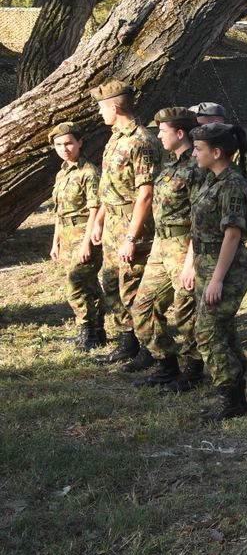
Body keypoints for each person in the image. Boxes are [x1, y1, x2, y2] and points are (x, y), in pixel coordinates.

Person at [128, 108, 208, 389]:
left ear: (180, 133)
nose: (158, 135)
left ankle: (195, 369)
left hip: (185, 247)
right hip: (162, 246)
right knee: (143, 306)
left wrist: (189, 261)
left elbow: (201, 221)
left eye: (163, 131)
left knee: (186, 311)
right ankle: (166, 364)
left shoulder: (198, 168)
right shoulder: (170, 164)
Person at [183, 122, 247, 421]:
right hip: (206, 264)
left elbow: (233, 235)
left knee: (208, 332)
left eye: (199, 149)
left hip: (224, 268)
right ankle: (236, 395)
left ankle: (229, 397)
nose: (194, 154)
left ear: (217, 151)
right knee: (222, 330)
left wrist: (217, 280)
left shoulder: (232, 184)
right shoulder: (211, 180)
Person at [90, 81, 160, 365]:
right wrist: (98, 221)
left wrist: (131, 237)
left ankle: (149, 348)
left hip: (134, 225)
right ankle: (128, 340)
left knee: (134, 287)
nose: (100, 114)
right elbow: (109, 187)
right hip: (112, 224)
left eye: (101, 108)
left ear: (115, 106)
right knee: (111, 283)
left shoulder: (141, 141)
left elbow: (146, 193)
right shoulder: (115, 138)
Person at [49, 123, 105, 350]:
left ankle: (86, 331)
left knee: (75, 284)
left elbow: (95, 209)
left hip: (84, 233)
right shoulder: (62, 173)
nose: (64, 148)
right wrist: (55, 242)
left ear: (80, 142)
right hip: (66, 234)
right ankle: (97, 331)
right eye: (59, 145)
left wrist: (86, 243)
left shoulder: (89, 173)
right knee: (89, 285)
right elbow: (58, 212)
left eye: (69, 143)